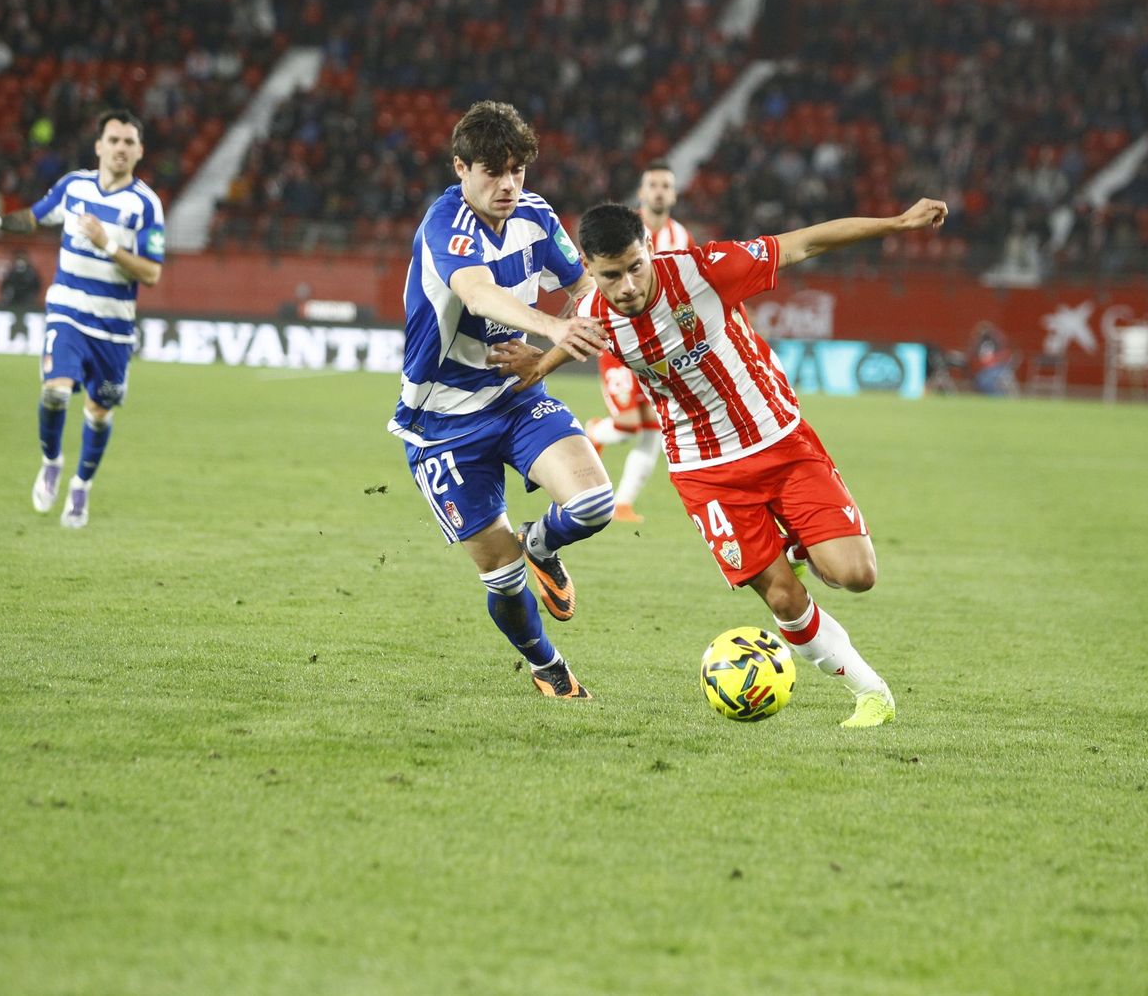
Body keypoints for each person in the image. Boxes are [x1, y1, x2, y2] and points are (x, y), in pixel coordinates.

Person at [493, 197, 950, 727]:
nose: (628, 287)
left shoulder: (704, 269)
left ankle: (800, 543)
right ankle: (871, 693)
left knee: (856, 575)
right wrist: (536, 360)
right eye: (611, 276)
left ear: (648, 250)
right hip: (704, 473)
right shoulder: (593, 315)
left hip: (780, 441)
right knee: (782, 595)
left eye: (636, 267)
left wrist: (897, 222)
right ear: (589, 271)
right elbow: (573, 344)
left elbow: (808, 240)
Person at [389, 100, 611, 701]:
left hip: (514, 397)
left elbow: (586, 282)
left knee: (595, 503)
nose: (508, 184)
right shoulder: (444, 225)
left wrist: (571, 319)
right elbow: (479, 292)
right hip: (441, 425)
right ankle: (547, 665)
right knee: (503, 578)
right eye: (492, 170)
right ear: (461, 168)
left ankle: (543, 543)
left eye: (517, 170)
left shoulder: (536, 216)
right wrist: (552, 328)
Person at [0, 109, 164, 528]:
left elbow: (152, 272)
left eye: (129, 142)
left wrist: (107, 244)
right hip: (68, 312)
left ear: (139, 151)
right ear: (99, 146)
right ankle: (51, 461)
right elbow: (34, 216)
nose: (120, 148)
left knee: (99, 411)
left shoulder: (145, 205)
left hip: (112, 327)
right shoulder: (74, 186)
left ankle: (81, 487)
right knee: (54, 391)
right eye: (114, 140)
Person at [585, 161, 693, 523]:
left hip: (658, 347)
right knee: (630, 422)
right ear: (642, 192)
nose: (660, 191)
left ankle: (622, 503)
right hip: (619, 341)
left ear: (674, 194)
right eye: (654, 185)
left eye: (666, 185)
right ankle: (594, 431)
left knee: (656, 426)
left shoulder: (681, 238)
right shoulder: (621, 231)